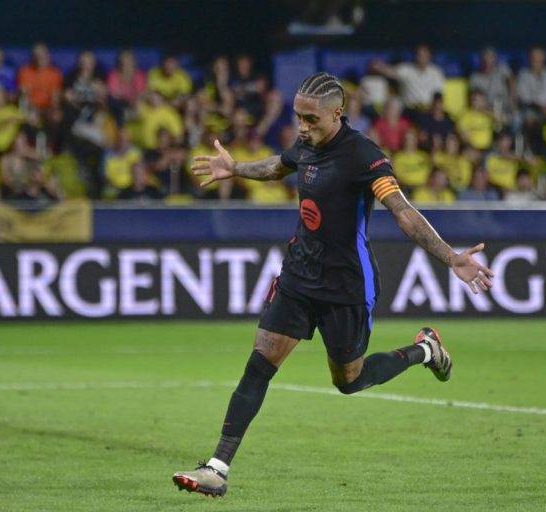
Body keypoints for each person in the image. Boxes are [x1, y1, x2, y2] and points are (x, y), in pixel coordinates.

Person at [172, 72, 493, 497]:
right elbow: (277, 166)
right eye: (298, 117)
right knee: (259, 363)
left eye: (311, 119)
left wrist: (451, 256)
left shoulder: (364, 156)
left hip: (346, 286)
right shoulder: (306, 144)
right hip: (299, 276)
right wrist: (236, 169)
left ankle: (425, 350)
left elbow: (402, 211)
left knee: (349, 381)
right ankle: (217, 468)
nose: (303, 126)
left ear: (337, 113)